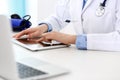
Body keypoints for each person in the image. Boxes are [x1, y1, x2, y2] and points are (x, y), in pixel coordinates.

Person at [14, 0, 120, 51]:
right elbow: (61, 17)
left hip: (112, 59)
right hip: (85, 57)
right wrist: (44, 27)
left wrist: (71, 39)